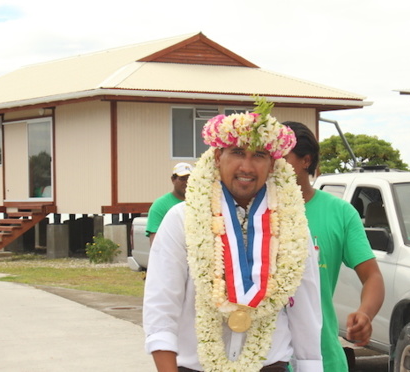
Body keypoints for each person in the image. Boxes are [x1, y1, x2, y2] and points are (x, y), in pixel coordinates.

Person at [143, 98, 323, 372]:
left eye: (259, 156)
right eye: (238, 152)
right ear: (218, 157)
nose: (247, 167)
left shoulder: (293, 224)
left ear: (272, 165)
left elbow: (306, 310)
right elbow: (161, 306)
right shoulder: (182, 219)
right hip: (196, 365)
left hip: (269, 365)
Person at [283, 121, 384, 372]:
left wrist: (365, 314)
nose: (271, 166)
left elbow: (372, 276)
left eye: (281, 158)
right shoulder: (252, 211)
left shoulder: (340, 213)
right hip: (261, 361)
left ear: (306, 160)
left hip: (323, 358)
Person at [146, 162, 193, 245]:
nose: (187, 182)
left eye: (190, 178)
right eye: (182, 179)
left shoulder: (200, 203)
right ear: (173, 179)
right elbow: (155, 243)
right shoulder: (160, 205)